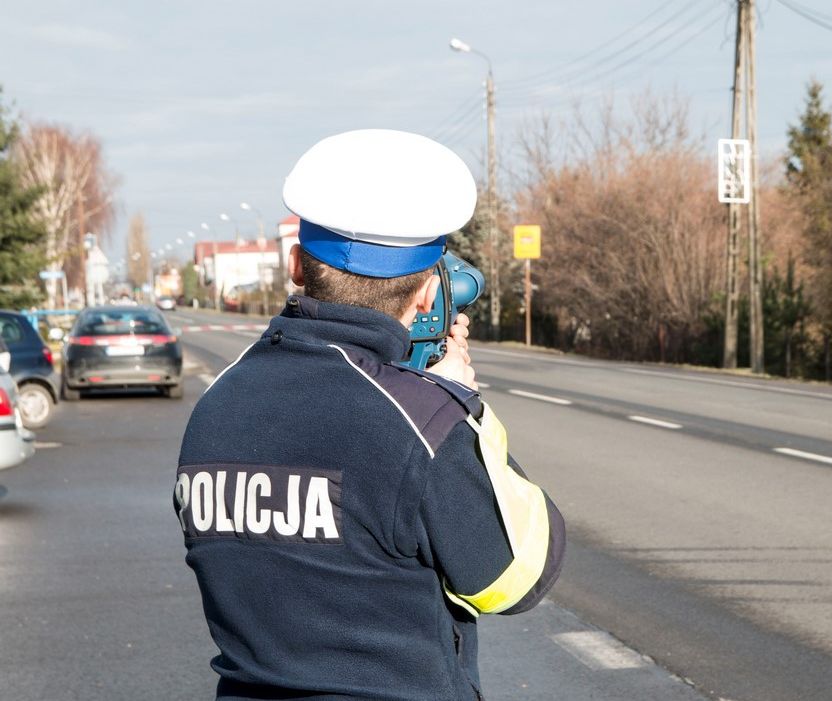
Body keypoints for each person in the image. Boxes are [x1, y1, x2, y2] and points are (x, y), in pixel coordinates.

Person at [174, 129, 565, 701]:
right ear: (430, 294)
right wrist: (460, 406)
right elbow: (516, 578)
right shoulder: (426, 420)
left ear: (295, 266)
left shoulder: (216, 405)